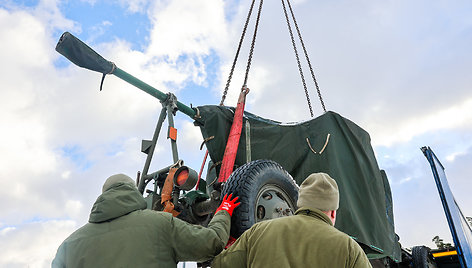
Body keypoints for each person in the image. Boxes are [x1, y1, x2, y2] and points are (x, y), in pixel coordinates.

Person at [52, 173, 240, 267]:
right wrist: (223, 211)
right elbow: (211, 243)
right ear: (133, 191)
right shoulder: (160, 224)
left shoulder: (69, 246)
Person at [212, 172, 372, 268]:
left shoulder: (258, 232)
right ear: (333, 212)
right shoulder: (349, 249)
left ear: (300, 203)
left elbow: (219, 265)